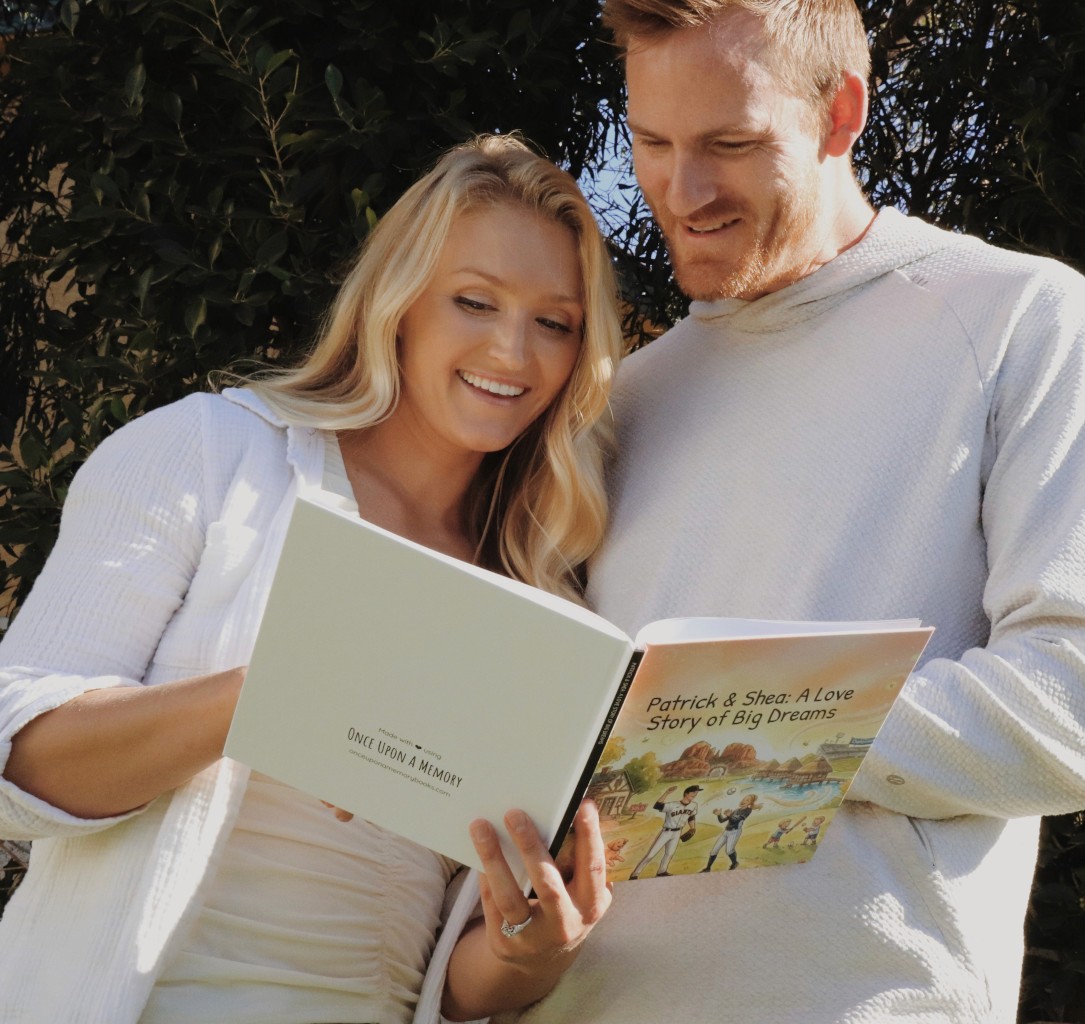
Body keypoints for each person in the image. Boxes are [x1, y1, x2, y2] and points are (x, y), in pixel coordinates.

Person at [484, 2, 1085, 1023]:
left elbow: (1067, 703)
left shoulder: (1018, 319)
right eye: (651, 142)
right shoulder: (618, 398)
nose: (681, 192)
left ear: (840, 113)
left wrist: (732, 731)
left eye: (730, 144)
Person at [0, 133, 624, 1023]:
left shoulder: (538, 595)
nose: (512, 353)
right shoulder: (210, 452)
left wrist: (530, 954)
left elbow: (453, 983)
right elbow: (19, 765)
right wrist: (286, 697)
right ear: (399, 303)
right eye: (474, 301)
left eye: (554, 323)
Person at [627, 783, 702, 879]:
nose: (695, 794)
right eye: (693, 792)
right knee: (650, 855)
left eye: (696, 793)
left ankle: (662, 871)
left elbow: (691, 817)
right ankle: (635, 874)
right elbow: (657, 806)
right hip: (666, 832)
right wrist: (666, 793)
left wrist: (692, 828)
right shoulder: (672, 805)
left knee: (669, 854)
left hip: (677, 833)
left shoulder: (694, 805)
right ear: (686, 793)